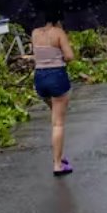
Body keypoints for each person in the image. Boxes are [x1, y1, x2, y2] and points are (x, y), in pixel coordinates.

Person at [31, 16, 75, 176]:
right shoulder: (58, 32)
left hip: (40, 78)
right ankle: (58, 164)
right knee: (58, 124)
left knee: (54, 114)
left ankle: (60, 155)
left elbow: (36, 55)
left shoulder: (35, 33)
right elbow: (70, 56)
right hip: (56, 76)